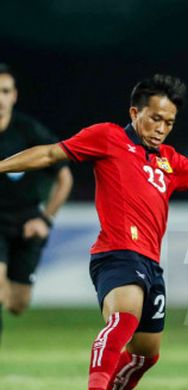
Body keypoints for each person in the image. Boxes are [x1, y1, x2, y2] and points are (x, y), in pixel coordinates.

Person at [0, 74, 188, 390]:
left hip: (151, 263)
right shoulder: (107, 137)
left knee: (145, 355)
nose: (161, 128)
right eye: (155, 118)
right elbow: (50, 153)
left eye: (169, 122)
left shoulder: (169, 161)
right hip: (116, 253)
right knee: (124, 317)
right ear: (135, 112)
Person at [0, 64, 72, 343]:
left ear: (14, 95)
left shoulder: (29, 131)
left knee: (17, 304)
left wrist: (45, 219)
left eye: (5, 91)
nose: (0, 98)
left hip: (27, 222)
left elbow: (64, 178)